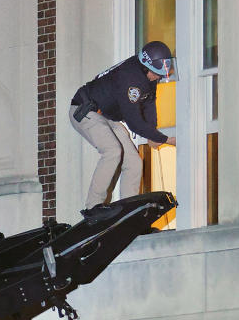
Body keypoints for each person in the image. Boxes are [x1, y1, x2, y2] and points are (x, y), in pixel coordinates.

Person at [70, 40, 178, 212]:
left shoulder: (148, 77)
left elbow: (149, 103)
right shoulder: (131, 78)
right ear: (145, 66)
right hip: (84, 111)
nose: (158, 78)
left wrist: (152, 133)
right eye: (156, 74)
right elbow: (134, 121)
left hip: (105, 116)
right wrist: (164, 139)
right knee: (113, 151)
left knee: (134, 162)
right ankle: (93, 207)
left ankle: (129, 210)